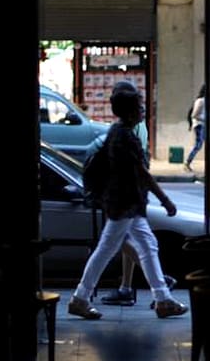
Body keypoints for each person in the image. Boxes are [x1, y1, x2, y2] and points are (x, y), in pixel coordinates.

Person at [69, 81, 188, 320]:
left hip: (128, 204)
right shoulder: (124, 136)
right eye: (140, 107)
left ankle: (163, 298)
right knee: (107, 248)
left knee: (148, 246)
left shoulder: (118, 132)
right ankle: (80, 298)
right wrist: (165, 200)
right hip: (124, 203)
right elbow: (141, 173)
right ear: (131, 110)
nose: (143, 110)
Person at [184, 84, 206, 171]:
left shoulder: (204, 101)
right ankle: (187, 162)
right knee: (198, 145)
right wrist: (205, 119)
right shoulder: (200, 101)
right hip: (199, 125)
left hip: (202, 124)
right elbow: (194, 114)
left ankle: (188, 162)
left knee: (199, 145)